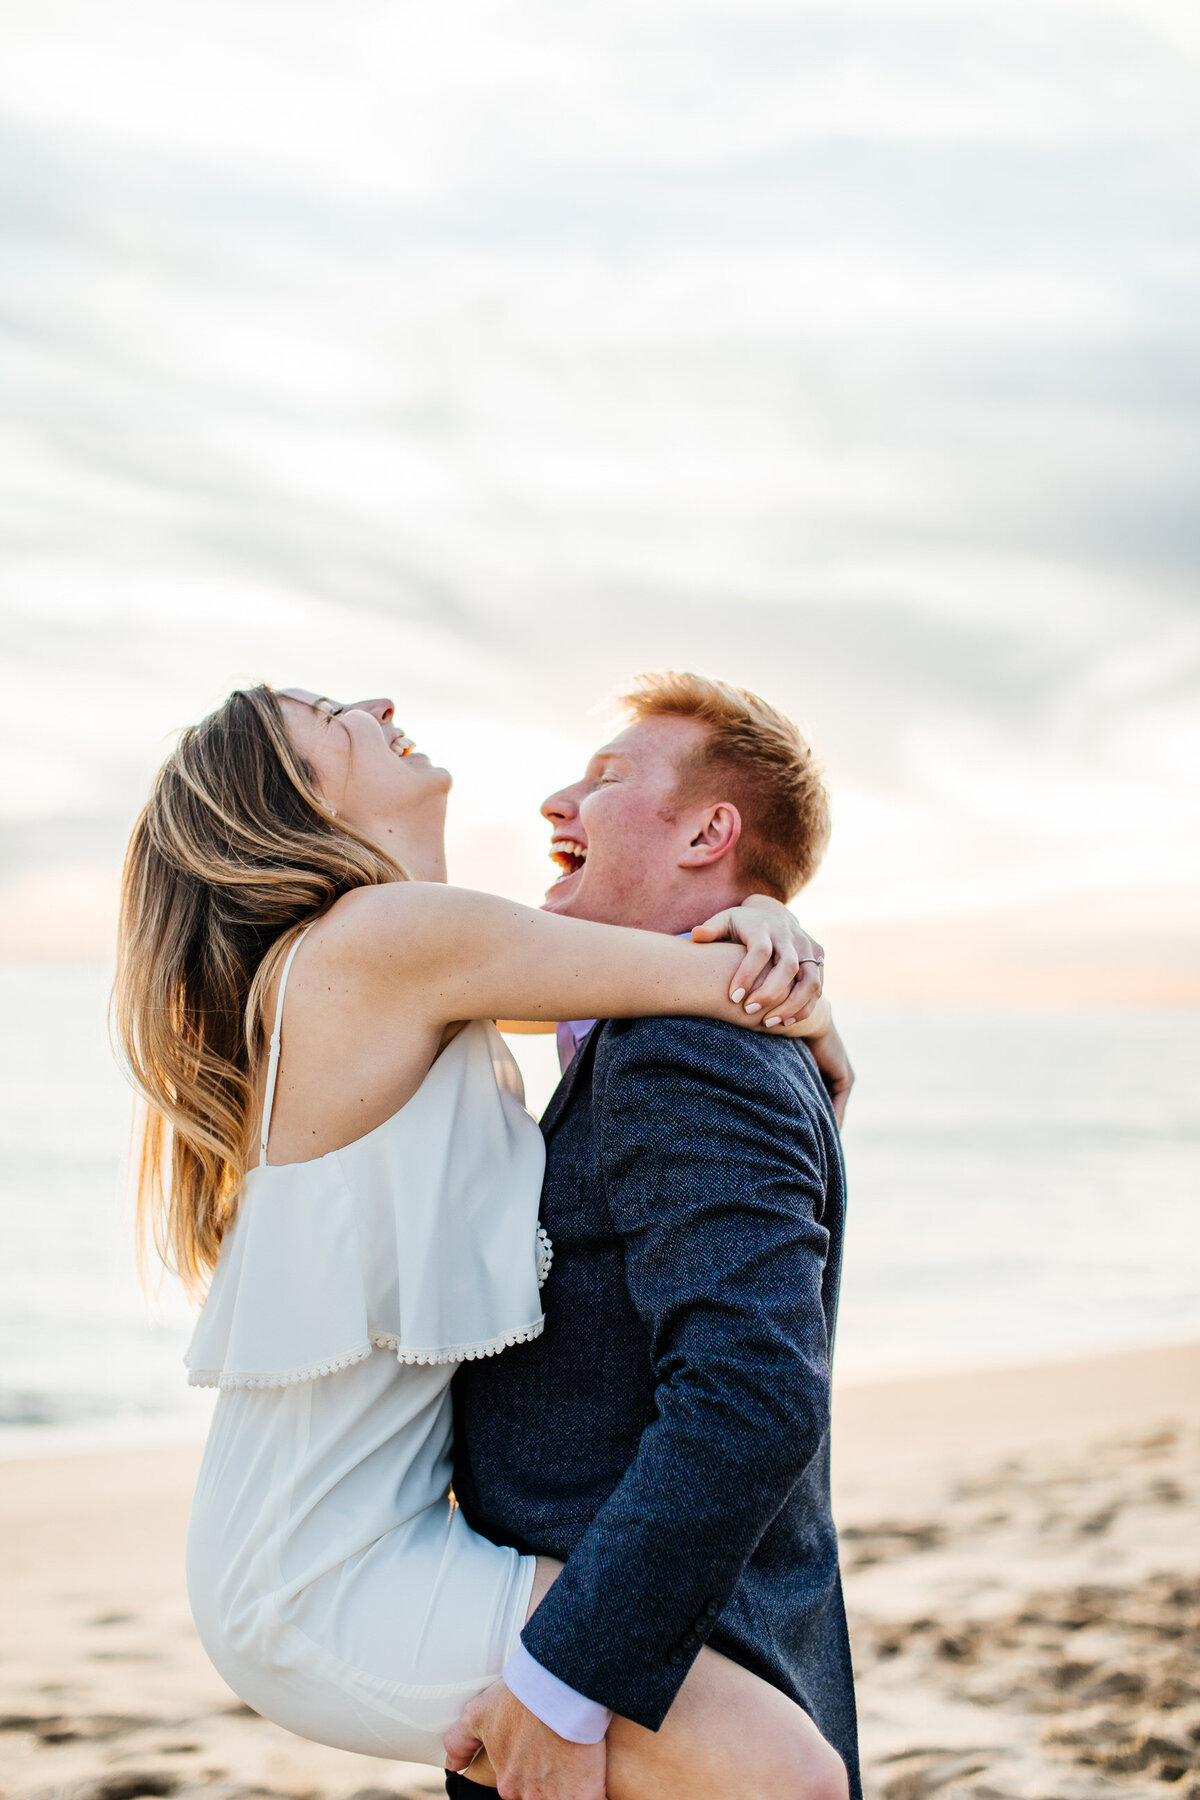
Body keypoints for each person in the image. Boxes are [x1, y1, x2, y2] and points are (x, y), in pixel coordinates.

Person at [111, 681, 853, 1800]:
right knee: (783, 1773)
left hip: (340, 1545)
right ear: (298, 793)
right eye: (329, 712)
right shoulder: (383, 938)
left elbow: (609, 991)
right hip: (325, 1574)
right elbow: (709, 984)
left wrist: (767, 929)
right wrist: (790, 965)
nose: (377, 699)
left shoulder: (406, 965)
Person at [444, 672, 860, 1800]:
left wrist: (561, 1680)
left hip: (658, 1703)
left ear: (709, 830)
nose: (557, 801)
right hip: (671, 1670)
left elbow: (750, 1395)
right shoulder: (669, 1023)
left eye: (609, 778)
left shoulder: (693, 1049)